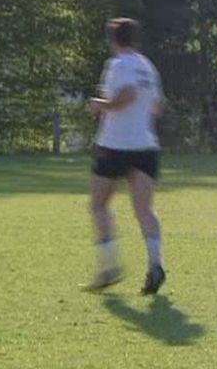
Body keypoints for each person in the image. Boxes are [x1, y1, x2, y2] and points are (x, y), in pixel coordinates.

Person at [85, 18, 166, 294]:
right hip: (145, 145)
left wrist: (102, 105)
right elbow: (156, 106)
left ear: (114, 39)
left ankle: (109, 267)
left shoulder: (118, 65)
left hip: (115, 145)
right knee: (144, 209)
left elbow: (128, 94)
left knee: (98, 205)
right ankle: (156, 265)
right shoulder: (147, 66)